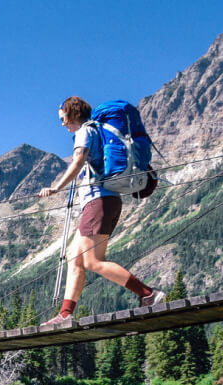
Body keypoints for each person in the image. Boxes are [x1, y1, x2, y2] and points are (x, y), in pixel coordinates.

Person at [38, 96, 164, 328]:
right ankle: (65, 314)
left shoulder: (85, 132)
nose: (63, 124)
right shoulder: (95, 130)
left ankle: (148, 294)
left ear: (73, 113)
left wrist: (56, 188)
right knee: (74, 257)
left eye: (63, 118)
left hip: (100, 201)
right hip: (101, 202)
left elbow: (78, 162)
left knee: (93, 261)